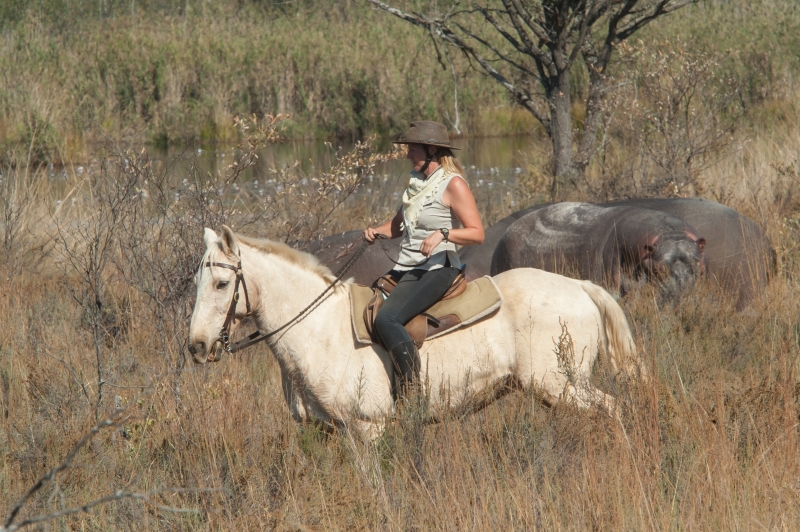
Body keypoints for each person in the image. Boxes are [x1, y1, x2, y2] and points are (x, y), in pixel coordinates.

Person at [363, 121, 484, 398]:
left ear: (431, 150)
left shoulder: (452, 184)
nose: (407, 155)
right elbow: (397, 227)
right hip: (409, 266)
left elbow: (477, 233)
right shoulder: (418, 183)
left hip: (439, 268)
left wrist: (443, 233)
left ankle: (412, 394)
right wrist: (375, 231)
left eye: (412, 149)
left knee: (387, 319)